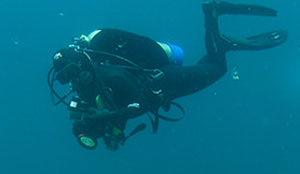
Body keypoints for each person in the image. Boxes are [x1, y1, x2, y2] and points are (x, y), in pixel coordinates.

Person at [48, 1, 287, 150]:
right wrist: (110, 129)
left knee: (216, 69)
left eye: (71, 72)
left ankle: (212, 15)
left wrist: (108, 115)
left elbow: (137, 103)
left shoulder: (105, 73)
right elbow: (122, 108)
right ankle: (221, 44)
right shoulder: (88, 89)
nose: (73, 80)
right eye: (66, 77)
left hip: (162, 80)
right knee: (207, 70)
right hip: (161, 88)